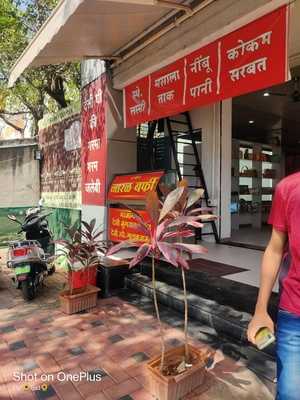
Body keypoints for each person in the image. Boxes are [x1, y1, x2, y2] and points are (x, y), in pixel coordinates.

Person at [247, 171, 300, 400]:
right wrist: (260, 310)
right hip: (294, 312)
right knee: (290, 393)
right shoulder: (288, 188)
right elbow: (275, 249)